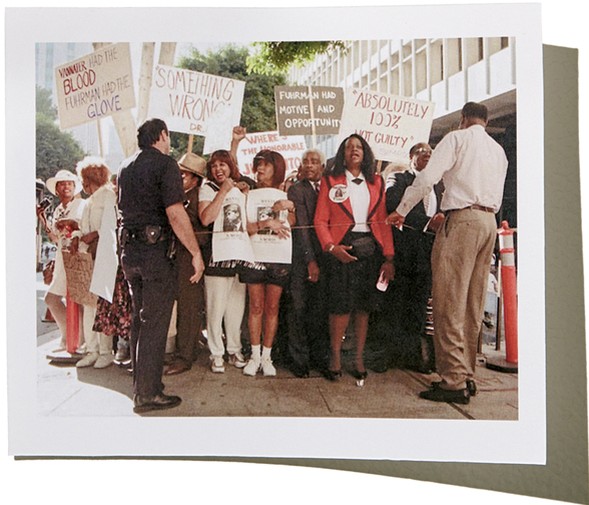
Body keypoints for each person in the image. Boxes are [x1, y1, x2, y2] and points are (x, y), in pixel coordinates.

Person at [387, 102, 508, 404]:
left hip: (462, 219)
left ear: (463, 119)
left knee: (448, 300)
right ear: (486, 120)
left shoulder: (456, 138)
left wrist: (401, 211)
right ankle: (465, 374)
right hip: (488, 221)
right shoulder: (498, 150)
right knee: (472, 303)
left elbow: (427, 179)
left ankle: (453, 381)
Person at [117, 118, 205, 413]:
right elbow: (176, 213)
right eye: (169, 136)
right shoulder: (165, 164)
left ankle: (140, 387)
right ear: (163, 135)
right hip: (155, 253)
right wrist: (195, 252)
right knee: (154, 323)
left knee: (140, 322)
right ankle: (149, 394)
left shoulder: (125, 166)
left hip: (130, 251)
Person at [314, 134, 394, 383]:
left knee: (363, 307)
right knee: (340, 306)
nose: (354, 150)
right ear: (342, 154)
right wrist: (330, 247)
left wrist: (389, 256)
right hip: (342, 246)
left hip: (370, 247)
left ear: (365, 152)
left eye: (358, 147)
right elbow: (320, 220)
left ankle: (358, 358)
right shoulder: (330, 180)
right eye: (349, 147)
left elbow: (381, 221)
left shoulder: (377, 182)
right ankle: (335, 357)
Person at [382, 143, 445, 373]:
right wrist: (428, 223)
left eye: (431, 153)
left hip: (428, 252)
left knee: (418, 305)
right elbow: (393, 206)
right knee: (396, 303)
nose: (428, 156)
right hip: (404, 251)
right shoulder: (399, 179)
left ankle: (412, 355)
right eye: (422, 152)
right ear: (411, 157)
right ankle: (389, 355)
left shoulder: (438, 185)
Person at [240, 149, 295, 376]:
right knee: (255, 307)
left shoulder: (284, 195)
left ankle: (267, 357)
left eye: (266, 165)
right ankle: (253, 357)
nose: (260, 169)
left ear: (277, 168)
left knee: (273, 308)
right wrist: (267, 223)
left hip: (280, 257)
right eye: (258, 165)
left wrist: (289, 206)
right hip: (254, 255)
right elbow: (246, 227)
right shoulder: (248, 194)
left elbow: (293, 222)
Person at [198, 149, 253, 373]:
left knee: (235, 308)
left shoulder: (241, 189)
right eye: (214, 166)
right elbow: (206, 218)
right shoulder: (207, 189)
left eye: (223, 164)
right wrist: (223, 191)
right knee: (215, 308)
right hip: (217, 257)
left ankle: (234, 349)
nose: (218, 169)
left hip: (238, 254)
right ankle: (216, 353)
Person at [285, 148, 329, 377]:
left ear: (322, 167)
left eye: (314, 162)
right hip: (303, 258)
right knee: (299, 308)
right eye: (306, 162)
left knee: (320, 309)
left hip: (327, 257)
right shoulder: (296, 189)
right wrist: (310, 260)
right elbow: (302, 227)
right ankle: (299, 360)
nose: (309, 165)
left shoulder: (330, 188)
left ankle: (320, 358)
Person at [73, 157, 119, 369]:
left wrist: (96, 234)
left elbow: (114, 225)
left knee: (102, 305)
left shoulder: (109, 195)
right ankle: (91, 349)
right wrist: (77, 236)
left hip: (105, 256)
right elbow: (82, 227)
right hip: (88, 257)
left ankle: (105, 351)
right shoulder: (89, 200)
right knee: (88, 303)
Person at [164, 152, 207, 376]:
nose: (179, 178)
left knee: (189, 308)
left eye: (183, 174)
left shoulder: (199, 197)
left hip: (190, 257)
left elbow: (204, 231)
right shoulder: (177, 196)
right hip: (173, 257)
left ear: (195, 179)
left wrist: (192, 248)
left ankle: (184, 357)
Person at [42, 169, 86, 353]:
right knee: (52, 299)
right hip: (62, 260)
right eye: (62, 184)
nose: (66, 187)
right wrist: (43, 220)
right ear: (57, 189)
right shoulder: (59, 209)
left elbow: (83, 230)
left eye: (69, 183)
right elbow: (55, 237)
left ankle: (81, 341)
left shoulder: (82, 205)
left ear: (75, 187)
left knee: (81, 300)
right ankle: (67, 337)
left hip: (78, 258)